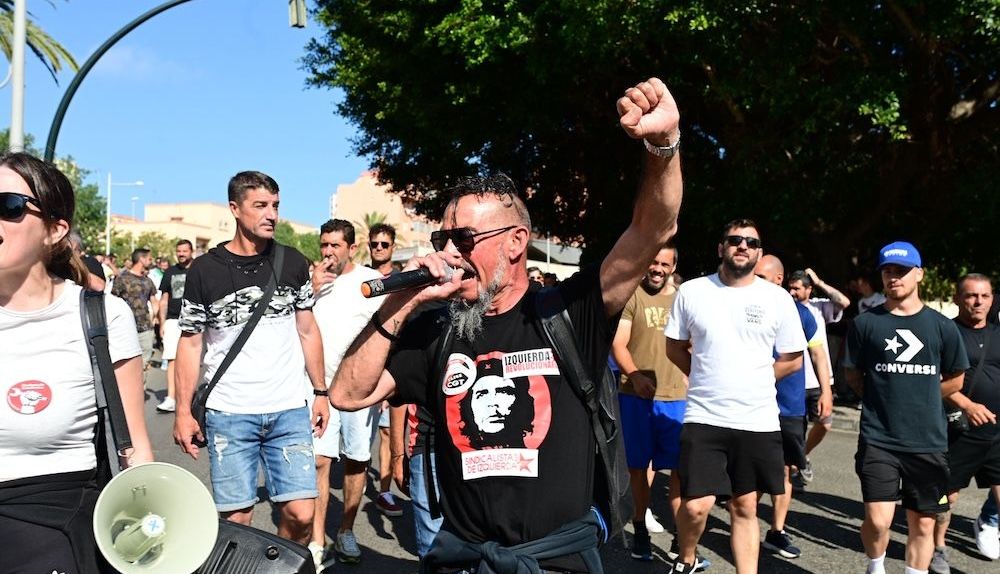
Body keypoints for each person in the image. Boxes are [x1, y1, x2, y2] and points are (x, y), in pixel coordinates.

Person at [331, 77, 683, 573]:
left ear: (516, 242)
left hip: (555, 562)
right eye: (442, 239)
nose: (450, 253)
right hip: (464, 560)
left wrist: (663, 146)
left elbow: (653, 228)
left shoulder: (567, 310)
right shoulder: (435, 329)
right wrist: (400, 305)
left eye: (464, 239)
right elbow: (348, 395)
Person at [0, 152, 153, 574]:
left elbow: (135, 448)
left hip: (54, 528)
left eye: (8, 206)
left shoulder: (102, 316)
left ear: (55, 230)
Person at [172, 171, 330, 545]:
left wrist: (321, 391)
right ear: (235, 209)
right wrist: (181, 412)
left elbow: (308, 330)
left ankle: (278, 567)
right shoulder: (204, 270)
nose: (271, 214)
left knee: (302, 514)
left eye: (275, 205)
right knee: (237, 520)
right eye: (260, 205)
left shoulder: (293, 262)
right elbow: (190, 344)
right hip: (229, 413)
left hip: (288, 409)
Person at [664, 220, 806, 574]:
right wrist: (702, 373)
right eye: (735, 240)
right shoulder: (693, 291)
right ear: (721, 248)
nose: (743, 246)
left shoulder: (777, 298)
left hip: (757, 420)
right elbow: (674, 347)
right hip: (704, 416)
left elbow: (793, 358)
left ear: (759, 253)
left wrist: (758, 378)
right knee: (696, 505)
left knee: (745, 507)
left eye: (751, 243)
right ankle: (686, 558)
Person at [844, 241, 967, 574]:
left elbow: (956, 379)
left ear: (919, 275)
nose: (893, 277)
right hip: (879, 438)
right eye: (887, 271)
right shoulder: (866, 324)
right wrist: (883, 395)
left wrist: (922, 393)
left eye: (901, 271)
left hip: (928, 441)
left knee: (924, 523)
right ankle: (875, 565)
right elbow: (853, 374)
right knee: (877, 521)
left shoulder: (942, 327)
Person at [610, 244, 704, 564]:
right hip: (635, 397)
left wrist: (693, 373)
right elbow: (619, 344)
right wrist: (635, 375)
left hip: (677, 398)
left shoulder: (684, 299)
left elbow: (697, 342)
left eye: (665, 264)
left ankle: (680, 537)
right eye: (654, 262)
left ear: (673, 266)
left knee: (680, 470)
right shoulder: (631, 295)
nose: (658, 269)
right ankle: (640, 530)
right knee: (638, 468)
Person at [307, 219, 385, 568]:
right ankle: (316, 539)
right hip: (318, 388)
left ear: (351, 248)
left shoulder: (371, 281)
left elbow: (387, 332)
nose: (328, 252)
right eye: (324, 245)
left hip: (359, 389)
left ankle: (346, 530)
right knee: (319, 460)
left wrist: (383, 385)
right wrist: (310, 289)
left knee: (357, 459)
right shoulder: (311, 280)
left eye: (335, 245)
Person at [754, 255, 832, 560]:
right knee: (750, 470)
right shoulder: (743, 307)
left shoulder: (800, 314)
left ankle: (776, 531)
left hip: (789, 406)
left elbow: (818, 354)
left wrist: (826, 391)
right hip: (751, 403)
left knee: (785, 469)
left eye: (762, 276)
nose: (756, 280)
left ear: (779, 279)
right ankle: (743, 524)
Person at [929, 274, 1000, 572]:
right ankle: (938, 548)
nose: (978, 302)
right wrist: (968, 405)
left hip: (996, 433)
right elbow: (933, 382)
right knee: (947, 497)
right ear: (957, 298)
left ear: (992, 299)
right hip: (958, 431)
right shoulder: (946, 333)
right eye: (971, 295)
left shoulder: (998, 333)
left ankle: (986, 524)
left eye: (984, 296)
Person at [786, 268, 847, 482]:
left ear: (809, 289)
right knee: (795, 430)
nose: (792, 292)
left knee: (825, 422)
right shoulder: (785, 308)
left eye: (796, 288)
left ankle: (802, 456)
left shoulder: (819, 307)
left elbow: (844, 302)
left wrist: (820, 282)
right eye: (790, 288)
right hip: (793, 379)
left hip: (818, 380)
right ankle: (793, 470)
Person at [366, 221, 407, 517]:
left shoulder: (403, 281)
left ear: (393, 247)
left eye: (384, 244)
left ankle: (386, 490)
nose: (379, 248)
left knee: (390, 432)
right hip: (362, 369)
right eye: (375, 244)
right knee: (363, 439)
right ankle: (361, 479)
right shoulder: (359, 279)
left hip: (391, 368)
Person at [154, 239, 194, 413]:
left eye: (185, 251)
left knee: (191, 360)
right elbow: (164, 299)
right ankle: (171, 397)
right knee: (171, 358)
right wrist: (162, 323)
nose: (181, 254)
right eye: (179, 251)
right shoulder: (170, 272)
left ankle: (189, 397)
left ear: (191, 251)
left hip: (194, 320)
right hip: (173, 320)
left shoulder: (198, 269)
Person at [111, 248, 159, 376]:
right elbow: (112, 301)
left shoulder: (148, 281)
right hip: (125, 328)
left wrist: (157, 318)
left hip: (145, 327)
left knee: (144, 364)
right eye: (149, 258)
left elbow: (154, 301)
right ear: (141, 259)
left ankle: (141, 387)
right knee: (125, 365)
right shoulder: (122, 279)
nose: (151, 261)